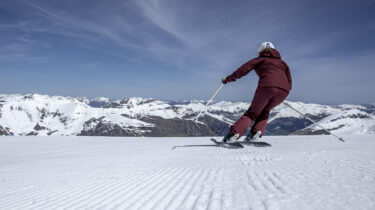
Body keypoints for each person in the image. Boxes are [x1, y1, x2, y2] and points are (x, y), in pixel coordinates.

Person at [222, 42, 292, 142]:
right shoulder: (283, 63)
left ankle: (233, 134)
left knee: (252, 113)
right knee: (265, 111)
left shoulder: (260, 59)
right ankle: (255, 134)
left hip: (267, 86)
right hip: (284, 91)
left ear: (260, 52)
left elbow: (243, 70)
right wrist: (281, 90)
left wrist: (228, 79)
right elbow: (289, 80)